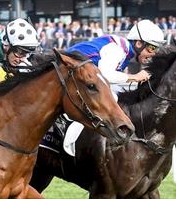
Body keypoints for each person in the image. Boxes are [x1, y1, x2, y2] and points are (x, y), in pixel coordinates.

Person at [63, 19, 165, 156]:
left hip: (78, 77)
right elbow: (105, 75)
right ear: (139, 43)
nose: (153, 53)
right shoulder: (117, 49)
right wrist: (134, 77)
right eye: (151, 48)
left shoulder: (126, 54)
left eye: (156, 49)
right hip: (66, 74)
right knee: (111, 97)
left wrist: (138, 84)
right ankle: (69, 136)